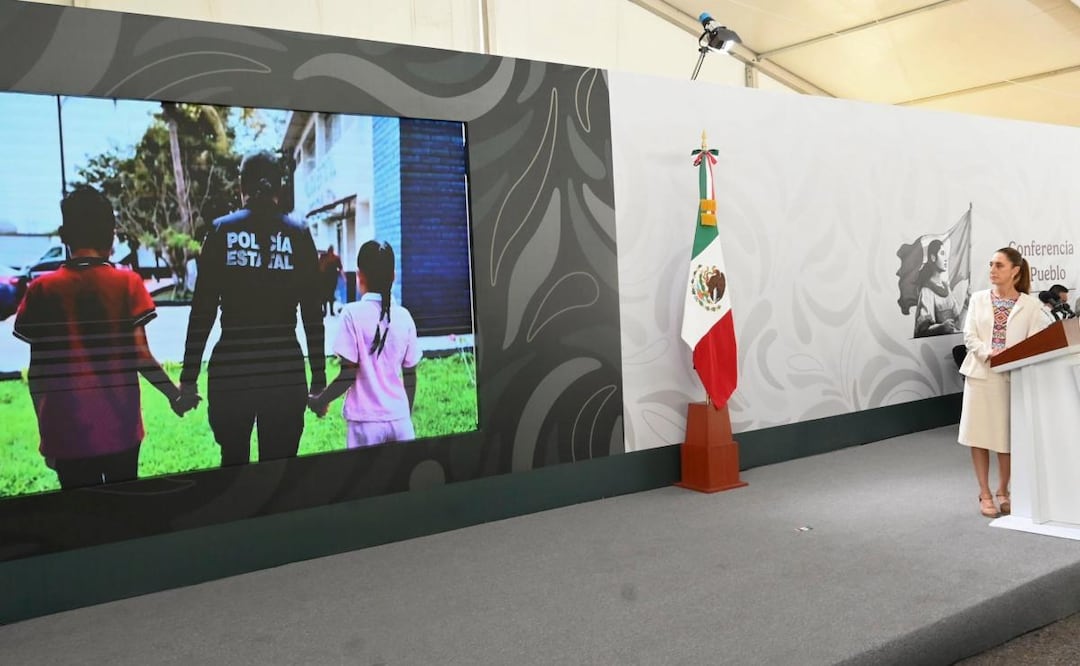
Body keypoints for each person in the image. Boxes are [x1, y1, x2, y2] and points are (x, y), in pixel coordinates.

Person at [13, 186, 194, 490]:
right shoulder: (128, 283)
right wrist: (174, 395)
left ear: (63, 234)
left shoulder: (41, 291)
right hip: (121, 431)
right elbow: (140, 355)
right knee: (123, 510)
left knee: (83, 518)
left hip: (66, 434)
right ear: (112, 235)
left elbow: (38, 372)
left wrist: (48, 433)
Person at [179, 151, 325, 467]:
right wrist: (319, 379)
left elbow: (201, 312)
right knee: (279, 470)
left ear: (241, 187)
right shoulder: (299, 235)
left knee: (233, 467)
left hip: (232, 370)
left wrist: (188, 378)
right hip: (283, 370)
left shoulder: (219, 231)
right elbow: (313, 315)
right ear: (280, 189)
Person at [958, 247, 1048, 518]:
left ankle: (1003, 491)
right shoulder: (978, 299)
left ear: (1015, 271)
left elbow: (1035, 342)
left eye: (999, 265)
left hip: (1012, 378)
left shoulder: (1031, 305)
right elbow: (969, 335)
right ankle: (984, 492)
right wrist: (989, 354)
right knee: (979, 436)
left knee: (1005, 439)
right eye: (991, 265)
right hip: (980, 375)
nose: (992, 270)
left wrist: (1011, 358)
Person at [308, 241, 421, 449]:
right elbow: (410, 374)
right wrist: (405, 412)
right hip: (401, 422)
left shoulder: (351, 314)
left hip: (365, 425)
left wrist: (320, 400)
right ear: (393, 276)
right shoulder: (405, 317)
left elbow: (348, 374)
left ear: (360, 276)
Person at [913, 240, 961, 337]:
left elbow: (958, 320)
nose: (945, 259)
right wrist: (941, 328)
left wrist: (967, 303)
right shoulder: (927, 291)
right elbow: (922, 330)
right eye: (942, 254)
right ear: (933, 257)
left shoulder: (946, 287)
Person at [318, 244, 344, 316]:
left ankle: (327, 311)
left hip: (326, 280)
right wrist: (344, 277)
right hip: (330, 279)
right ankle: (330, 311)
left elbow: (319, 268)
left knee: (326, 296)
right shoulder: (334, 258)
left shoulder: (324, 257)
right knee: (330, 296)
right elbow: (340, 268)